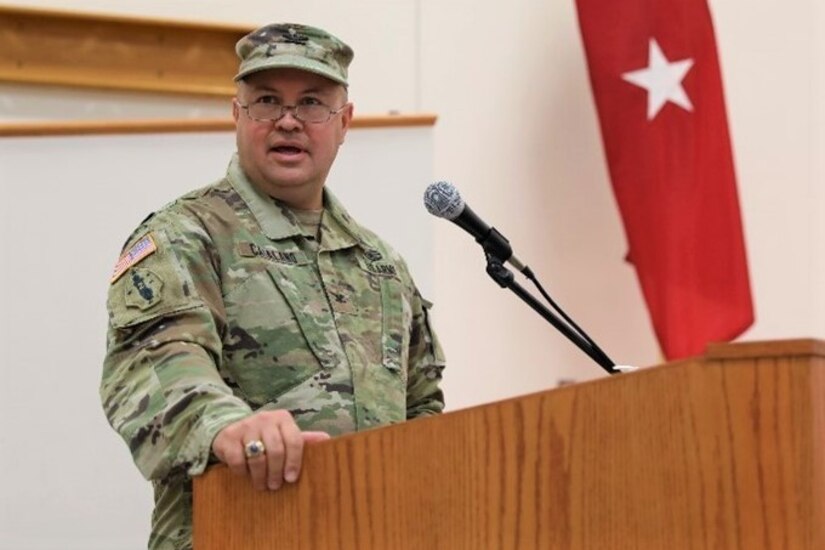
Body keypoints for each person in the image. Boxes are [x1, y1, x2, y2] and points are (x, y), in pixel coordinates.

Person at [100, 22, 445, 550]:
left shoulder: (381, 266)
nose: (288, 121)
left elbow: (424, 413)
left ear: (345, 122)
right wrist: (228, 427)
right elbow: (156, 362)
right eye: (266, 101)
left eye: (311, 103)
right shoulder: (186, 235)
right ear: (237, 115)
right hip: (233, 534)